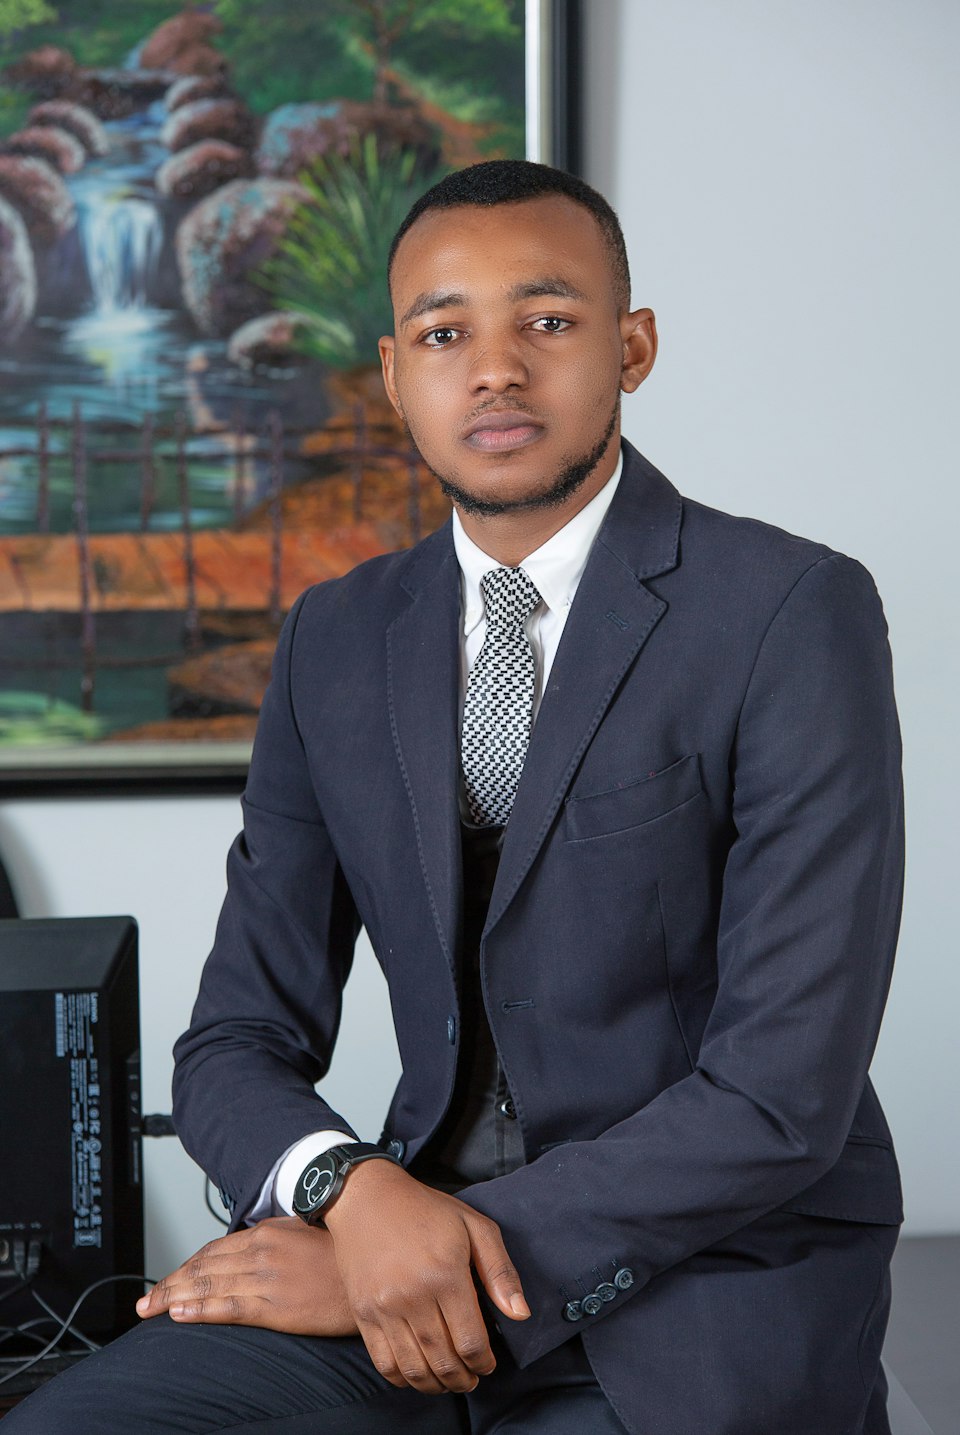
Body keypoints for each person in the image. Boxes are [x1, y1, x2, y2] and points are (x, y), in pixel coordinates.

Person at [7, 160, 904, 1435]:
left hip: (702, 1290)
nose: (494, 369)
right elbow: (231, 1044)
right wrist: (352, 1198)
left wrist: (434, 1251)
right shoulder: (336, 636)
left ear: (631, 346)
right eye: (445, 332)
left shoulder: (786, 612)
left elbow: (779, 1094)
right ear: (393, 375)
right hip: (384, 1256)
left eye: (546, 321)